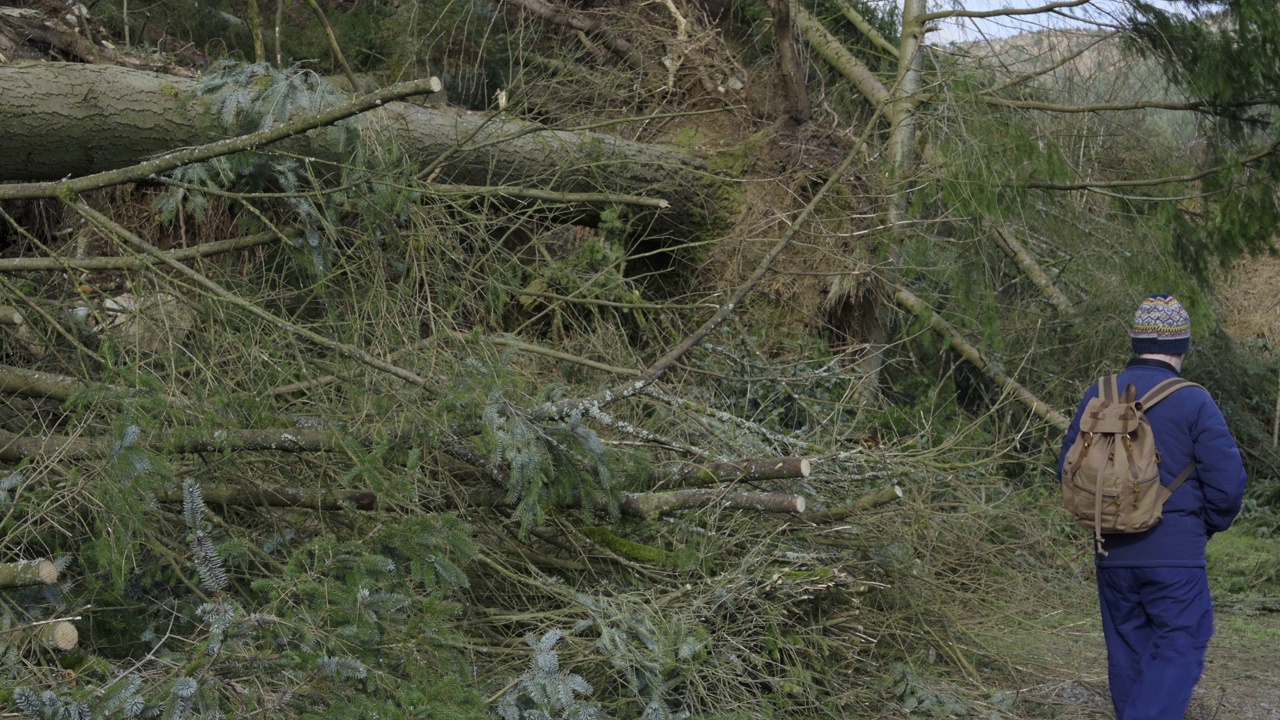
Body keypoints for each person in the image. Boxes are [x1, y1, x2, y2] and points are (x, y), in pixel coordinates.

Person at [1058, 293, 1247, 720]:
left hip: (1111, 550)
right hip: (1174, 552)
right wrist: (1205, 526)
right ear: (1182, 346)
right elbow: (1228, 483)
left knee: (1129, 649)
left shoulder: (1100, 394)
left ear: (1135, 341)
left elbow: (1067, 467)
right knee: (1183, 639)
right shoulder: (1194, 399)